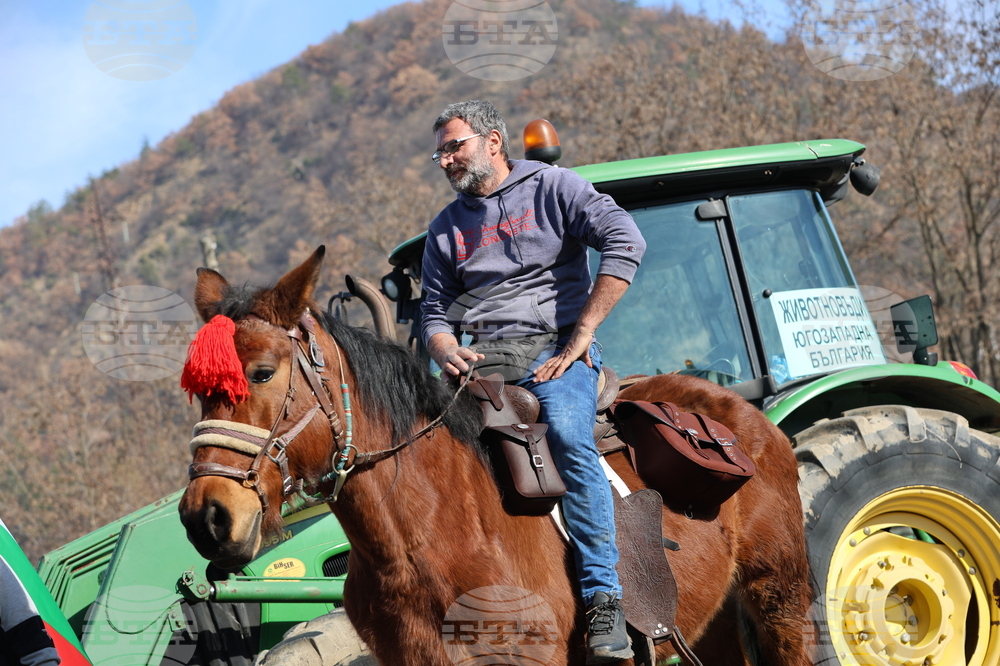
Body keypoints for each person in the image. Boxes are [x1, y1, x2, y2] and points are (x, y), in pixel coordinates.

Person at [420, 100, 645, 664]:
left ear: (493, 142)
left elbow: (626, 241)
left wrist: (582, 335)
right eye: (440, 152)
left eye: (455, 146)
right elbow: (432, 312)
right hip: (484, 366)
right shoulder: (445, 229)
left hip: (555, 354)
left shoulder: (555, 187)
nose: (446, 159)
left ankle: (602, 600)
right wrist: (446, 347)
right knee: (424, 454)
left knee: (569, 440)